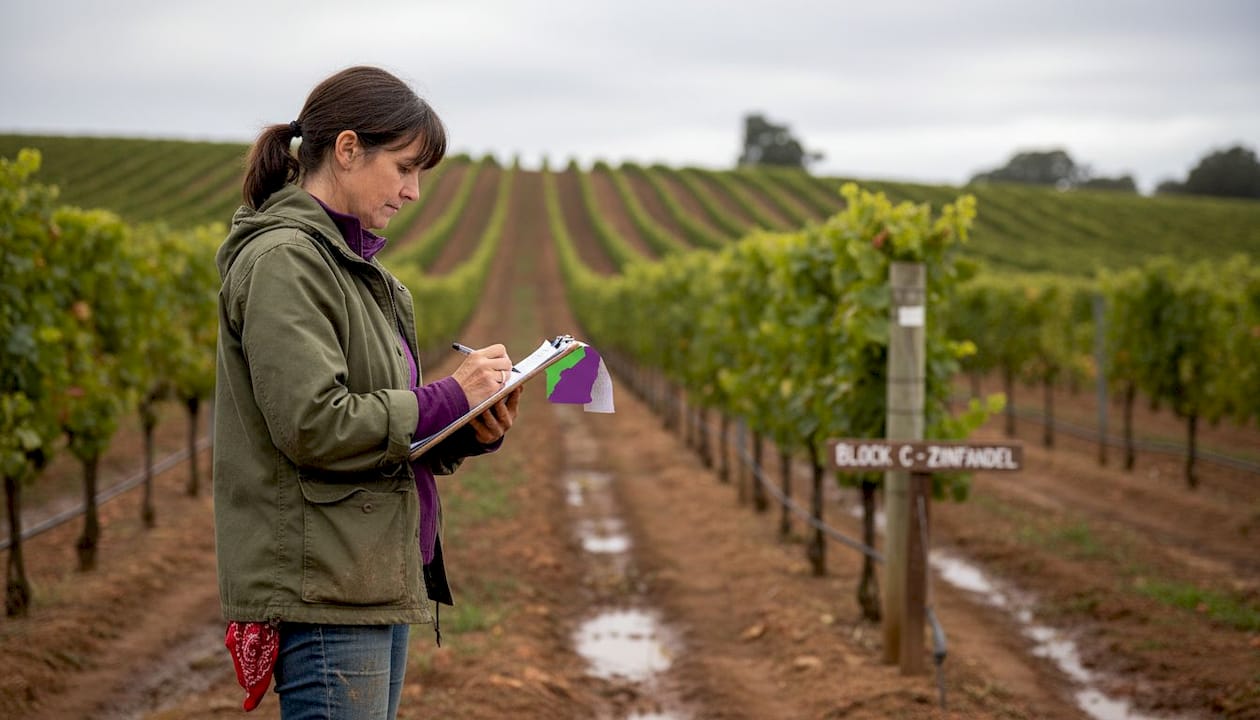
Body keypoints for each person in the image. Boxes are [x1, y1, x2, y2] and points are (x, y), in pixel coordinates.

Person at [213, 65, 522, 719]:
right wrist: (447, 396)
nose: (413, 192)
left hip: (372, 573)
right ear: (348, 150)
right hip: (324, 585)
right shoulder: (286, 264)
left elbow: (382, 432)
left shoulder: (362, 275)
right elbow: (315, 425)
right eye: (405, 168)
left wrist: (467, 427)